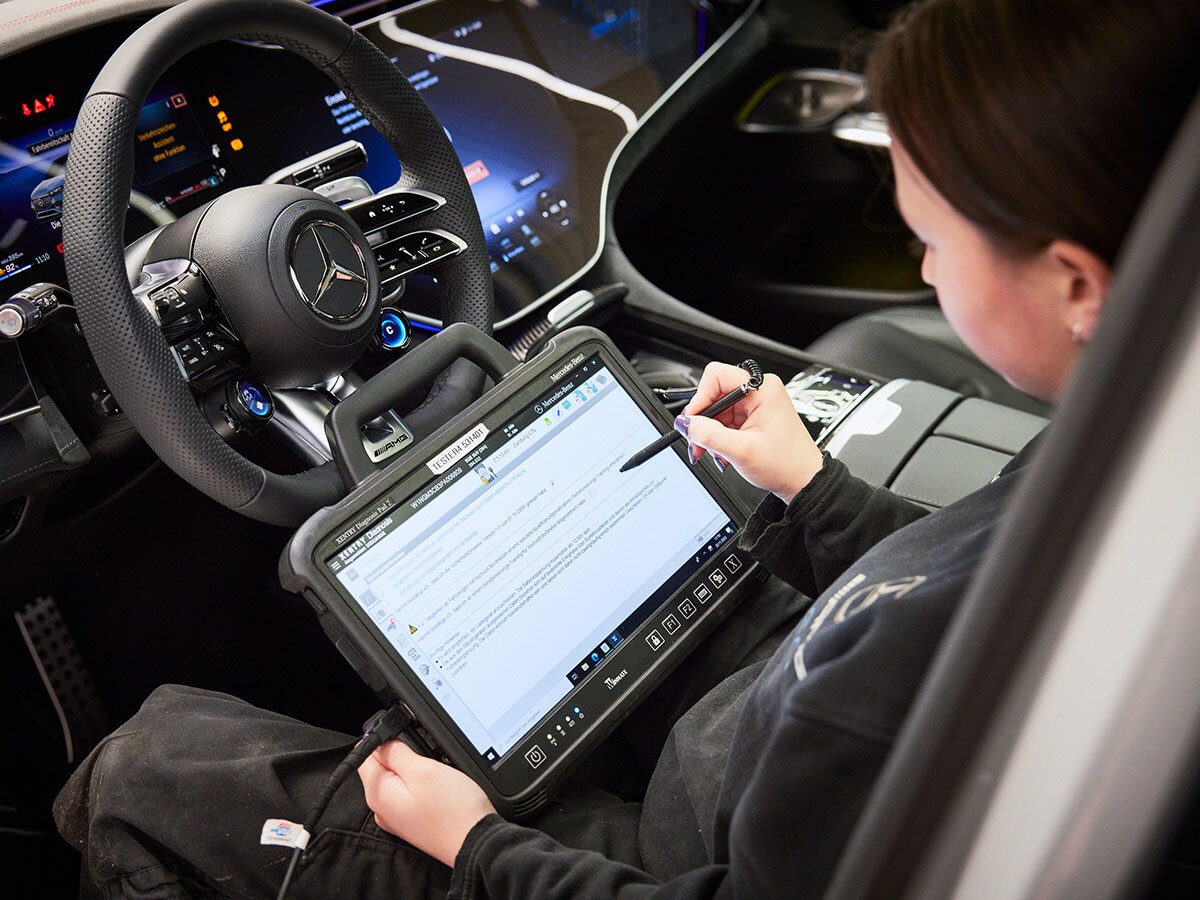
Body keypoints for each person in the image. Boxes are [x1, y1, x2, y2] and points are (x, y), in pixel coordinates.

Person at [54, 0, 1200, 897]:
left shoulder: (887, 688)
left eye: (926, 240)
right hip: (778, 709)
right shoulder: (1135, 470)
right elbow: (974, 579)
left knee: (150, 768)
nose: (923, 271)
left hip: (677, 848)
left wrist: (479, 843)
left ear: (1076, 283)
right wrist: (818, 489)